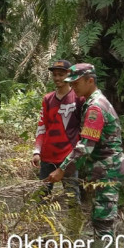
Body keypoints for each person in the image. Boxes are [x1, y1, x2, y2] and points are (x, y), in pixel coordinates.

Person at [46, 63, 124, 248]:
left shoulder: (95, 108)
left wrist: (62, 169)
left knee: (103, 220)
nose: (73, 88)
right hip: (104, 169)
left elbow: (85, 146)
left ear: (89, 80)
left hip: (108, 170)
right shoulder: (92, 102)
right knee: (100, 216)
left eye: (76, 83)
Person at [32, 59, 82, 204]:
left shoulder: (78, 98)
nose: (57, 78)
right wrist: (37, 151)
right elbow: (42, 126)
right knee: (42, 195)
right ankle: (39, 225)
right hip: (48, 155)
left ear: (69, 75)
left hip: (69, 156)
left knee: (72, 196)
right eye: (55, 75)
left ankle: (74, 226)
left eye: (61, 74)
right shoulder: (48, 99)